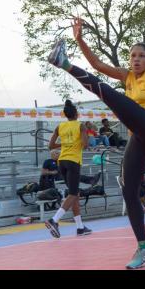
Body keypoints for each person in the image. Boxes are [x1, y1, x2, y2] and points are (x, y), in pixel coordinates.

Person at [47, 17, 145, 269]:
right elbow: (96, 63)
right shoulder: (126, 76)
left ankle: (65, 64)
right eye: (133, 55)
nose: (136, 59)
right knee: (129, 190)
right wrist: (80, 39)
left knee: (110, 95)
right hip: (138, 137)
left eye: (141, 56)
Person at [45, 100, 92, 238]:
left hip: (62, 162)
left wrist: (64, 144)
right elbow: (85, 145)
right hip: (73, 161)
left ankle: (80, 228)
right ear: (76, 114)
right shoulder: (80, 126)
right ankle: (54, 220)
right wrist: (86, 134)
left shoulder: (60, 126)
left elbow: (50, 146)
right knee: (72, 194)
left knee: (74, 194)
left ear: (66, 115)